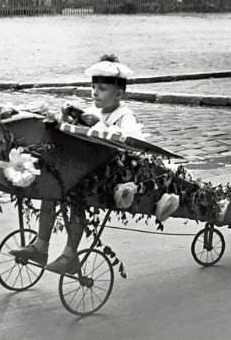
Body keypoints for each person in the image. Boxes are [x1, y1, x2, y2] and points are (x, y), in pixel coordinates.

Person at [10, 55, 142, 274]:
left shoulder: (124, 115)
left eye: (101, 89)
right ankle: (40, 246)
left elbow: (130, 139)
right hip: (81, 167)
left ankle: (70, 255)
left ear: (119, 94)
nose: (95, 93)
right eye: (93, 87)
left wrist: (99, 124)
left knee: (78, 200)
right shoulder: (92, 111)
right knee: (50, 193)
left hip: (105, 173)